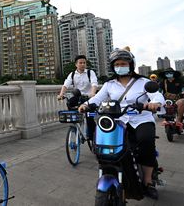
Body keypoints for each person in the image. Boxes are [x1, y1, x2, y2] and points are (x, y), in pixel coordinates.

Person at [78, 49, 165, 200]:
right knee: (106, 146)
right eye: (117, 64)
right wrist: (85, 105)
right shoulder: (109, 84)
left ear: (130, 65)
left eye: (123, 63)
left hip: (141, 119)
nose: (120, 66)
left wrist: (155, 103)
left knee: (145, 142)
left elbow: (156, 95)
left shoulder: (143, 82)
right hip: (119, 121)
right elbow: (97, 99)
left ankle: (148, 181)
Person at [58, 54, 98, 140]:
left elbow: (94, 83)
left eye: (84, 63)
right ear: (76, 64)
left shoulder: (90, 72)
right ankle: (75, 124)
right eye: (80, 63)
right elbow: (66, 85)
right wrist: (61, 94)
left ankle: (93, 136)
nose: (83, 64)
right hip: (78, 96)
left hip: (88, 97)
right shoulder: (72, 74)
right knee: (70, 102)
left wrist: (93, 93)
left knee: (89, 118)